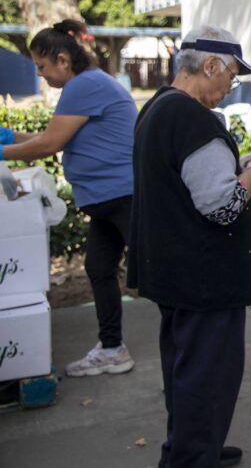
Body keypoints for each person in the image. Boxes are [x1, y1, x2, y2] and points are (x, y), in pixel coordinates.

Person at [127, 25, 251, 468]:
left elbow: (184, 180)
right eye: (231, 75)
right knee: (207, 380)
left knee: (185, 373)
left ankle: (190, 447)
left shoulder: (158, 107)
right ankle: (193, 456)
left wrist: (238, 164)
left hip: (174, 274)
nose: (230, 86)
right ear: (210, 65)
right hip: (204, 281)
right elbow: (223, 206)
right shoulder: (194, 120)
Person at [0, 19, 138, 377]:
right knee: (99, 269)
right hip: (109, 201)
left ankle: (193, 341)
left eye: (42, 66)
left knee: (157, 270)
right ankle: (112, 349)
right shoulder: (89, 84)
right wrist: (8, 135)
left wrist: (2, 152)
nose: (41, 74)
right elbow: (50, 135)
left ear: (63, 59)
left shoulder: (84, 85)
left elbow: (48, 144)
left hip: (123, 196)